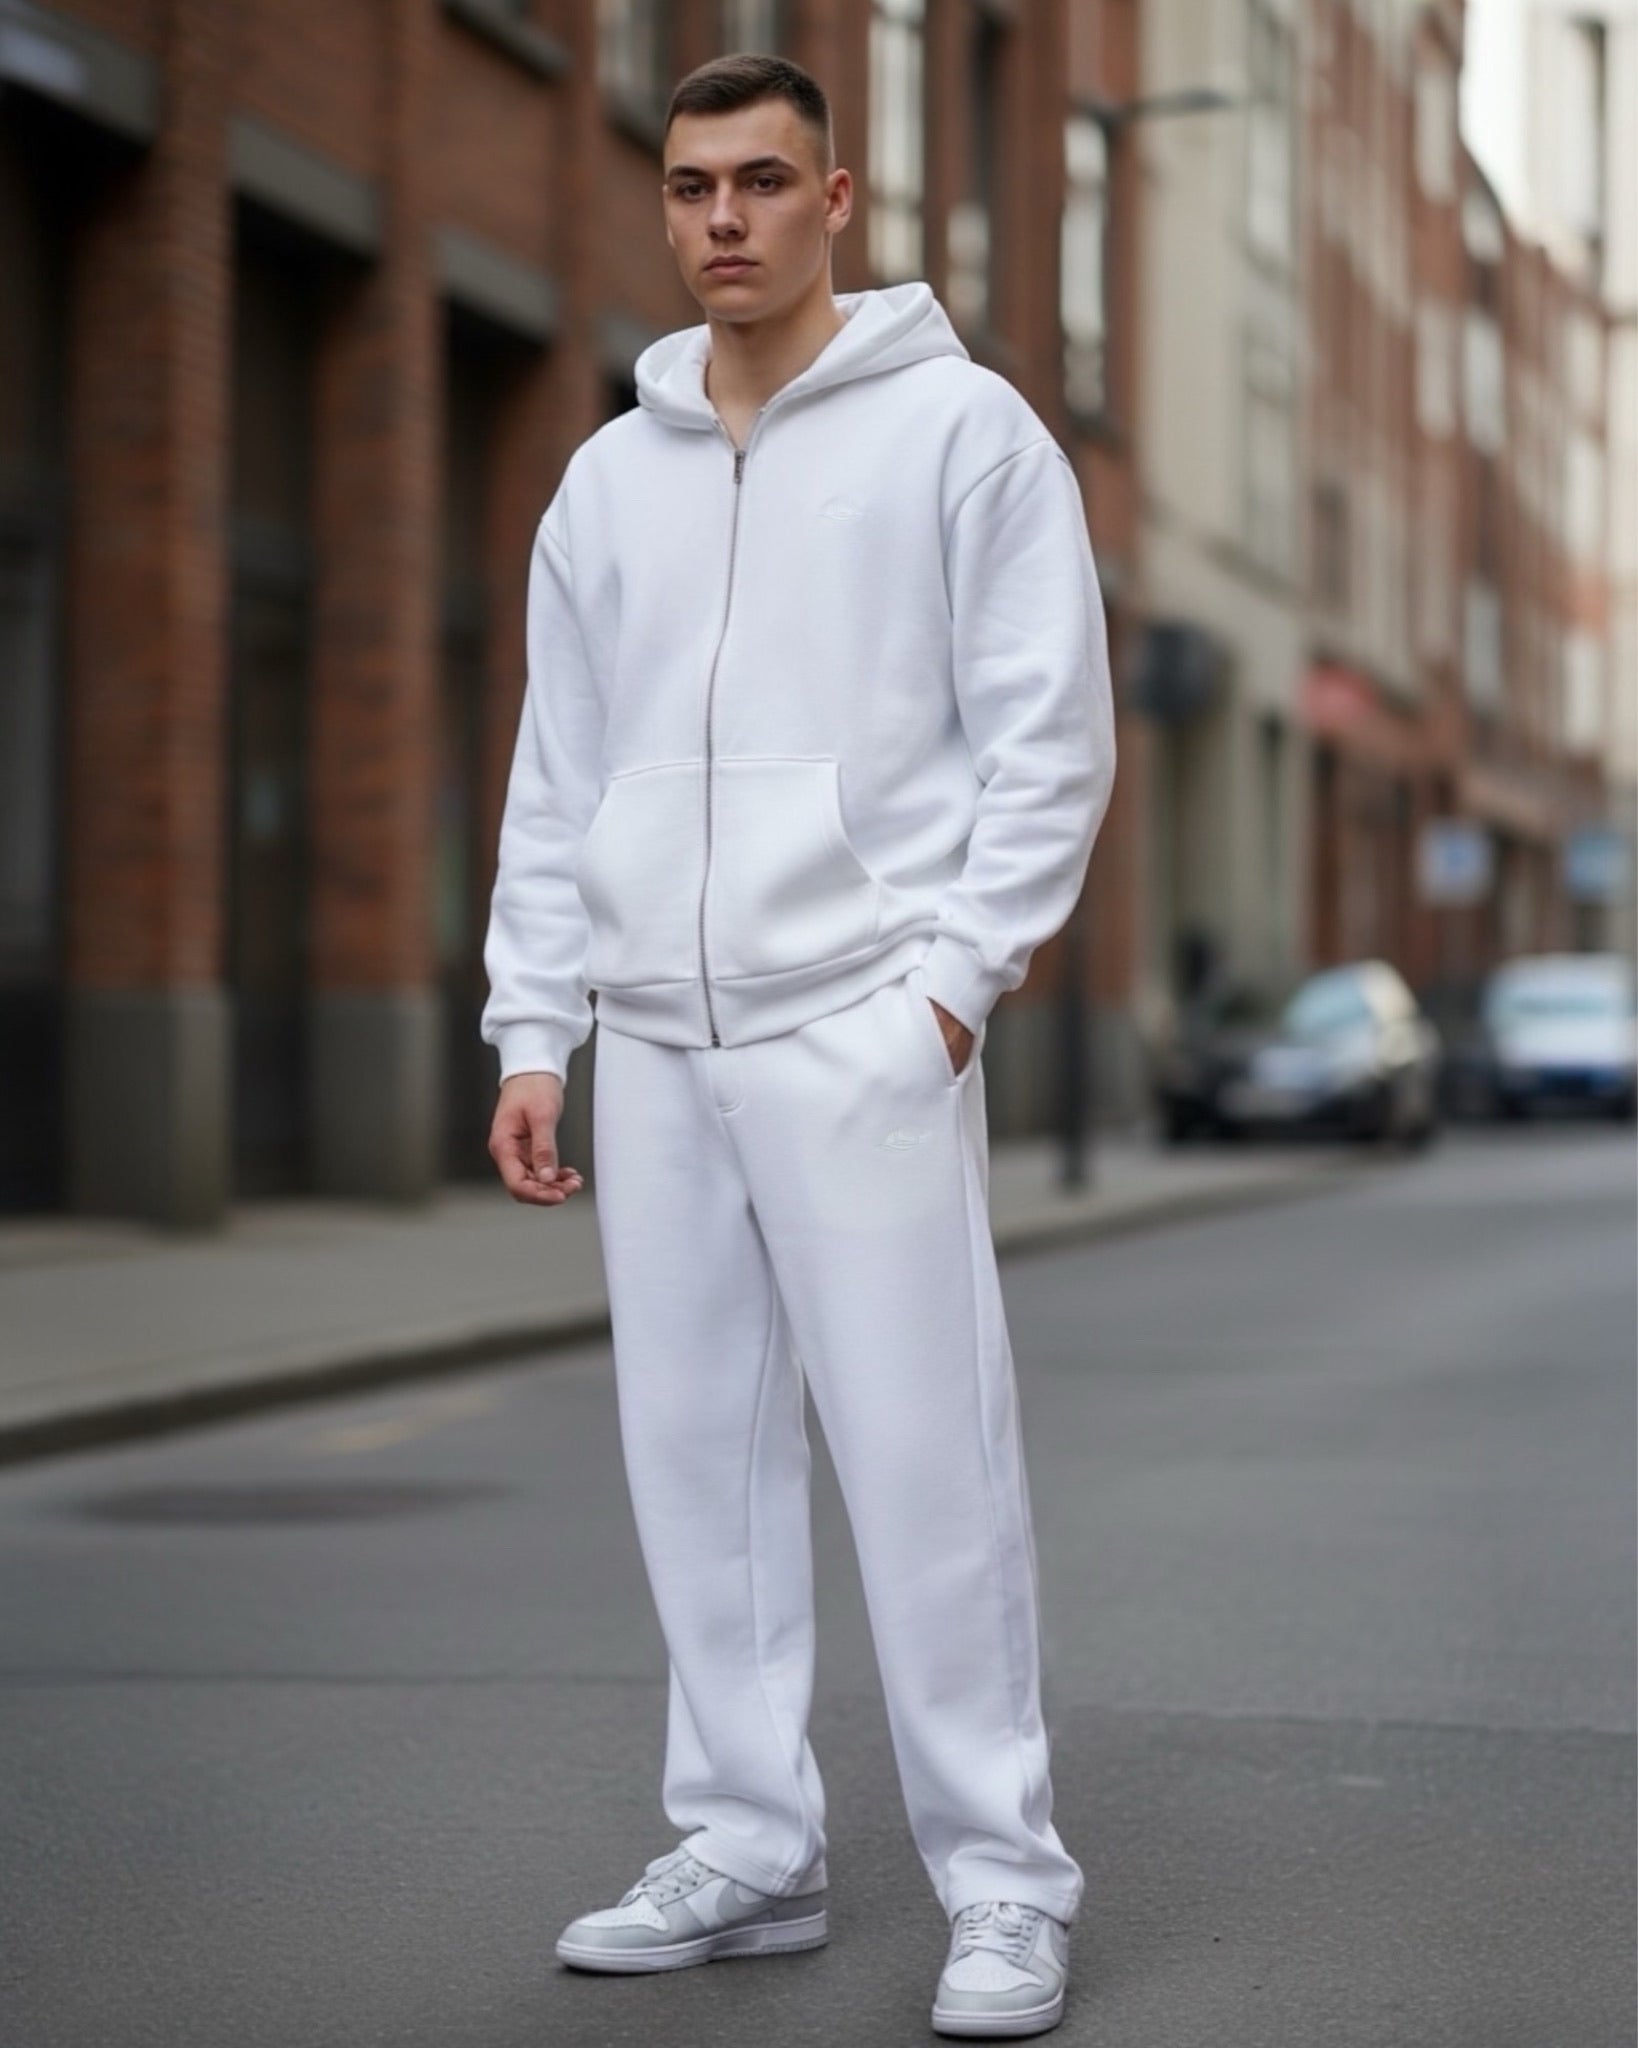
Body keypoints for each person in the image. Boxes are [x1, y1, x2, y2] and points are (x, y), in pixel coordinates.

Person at [481, 51, 1116, 2041]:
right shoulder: (610, 476)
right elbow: (557, 777)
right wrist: (534, 1025)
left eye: (763, 181)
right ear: (663, 207)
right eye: (692, 187)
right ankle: (750, 1846)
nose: (724, 219)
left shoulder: (964, 434)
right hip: (655, 1042)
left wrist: (948, 992)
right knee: (695, 1461)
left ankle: (1004, 1884)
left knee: (928, 1469)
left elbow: (1049, 737)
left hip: (859, 1024)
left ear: (836, 200)